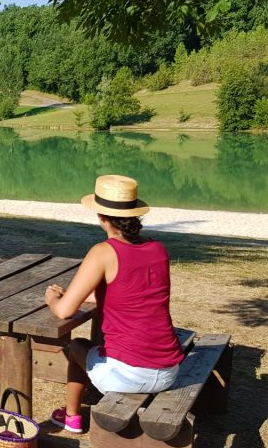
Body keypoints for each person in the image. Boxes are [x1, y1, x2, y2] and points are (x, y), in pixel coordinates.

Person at [43, 174, 184, 433]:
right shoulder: (158, 249)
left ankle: (72, 418)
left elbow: (65, 311)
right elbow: (130, 294)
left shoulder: (103, 252)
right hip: (168, 372)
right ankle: (76, 411)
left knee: (76, 347)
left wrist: (53, 298)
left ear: (102, 217)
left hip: (130, 375)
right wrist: (80, 294)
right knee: (97, 348)